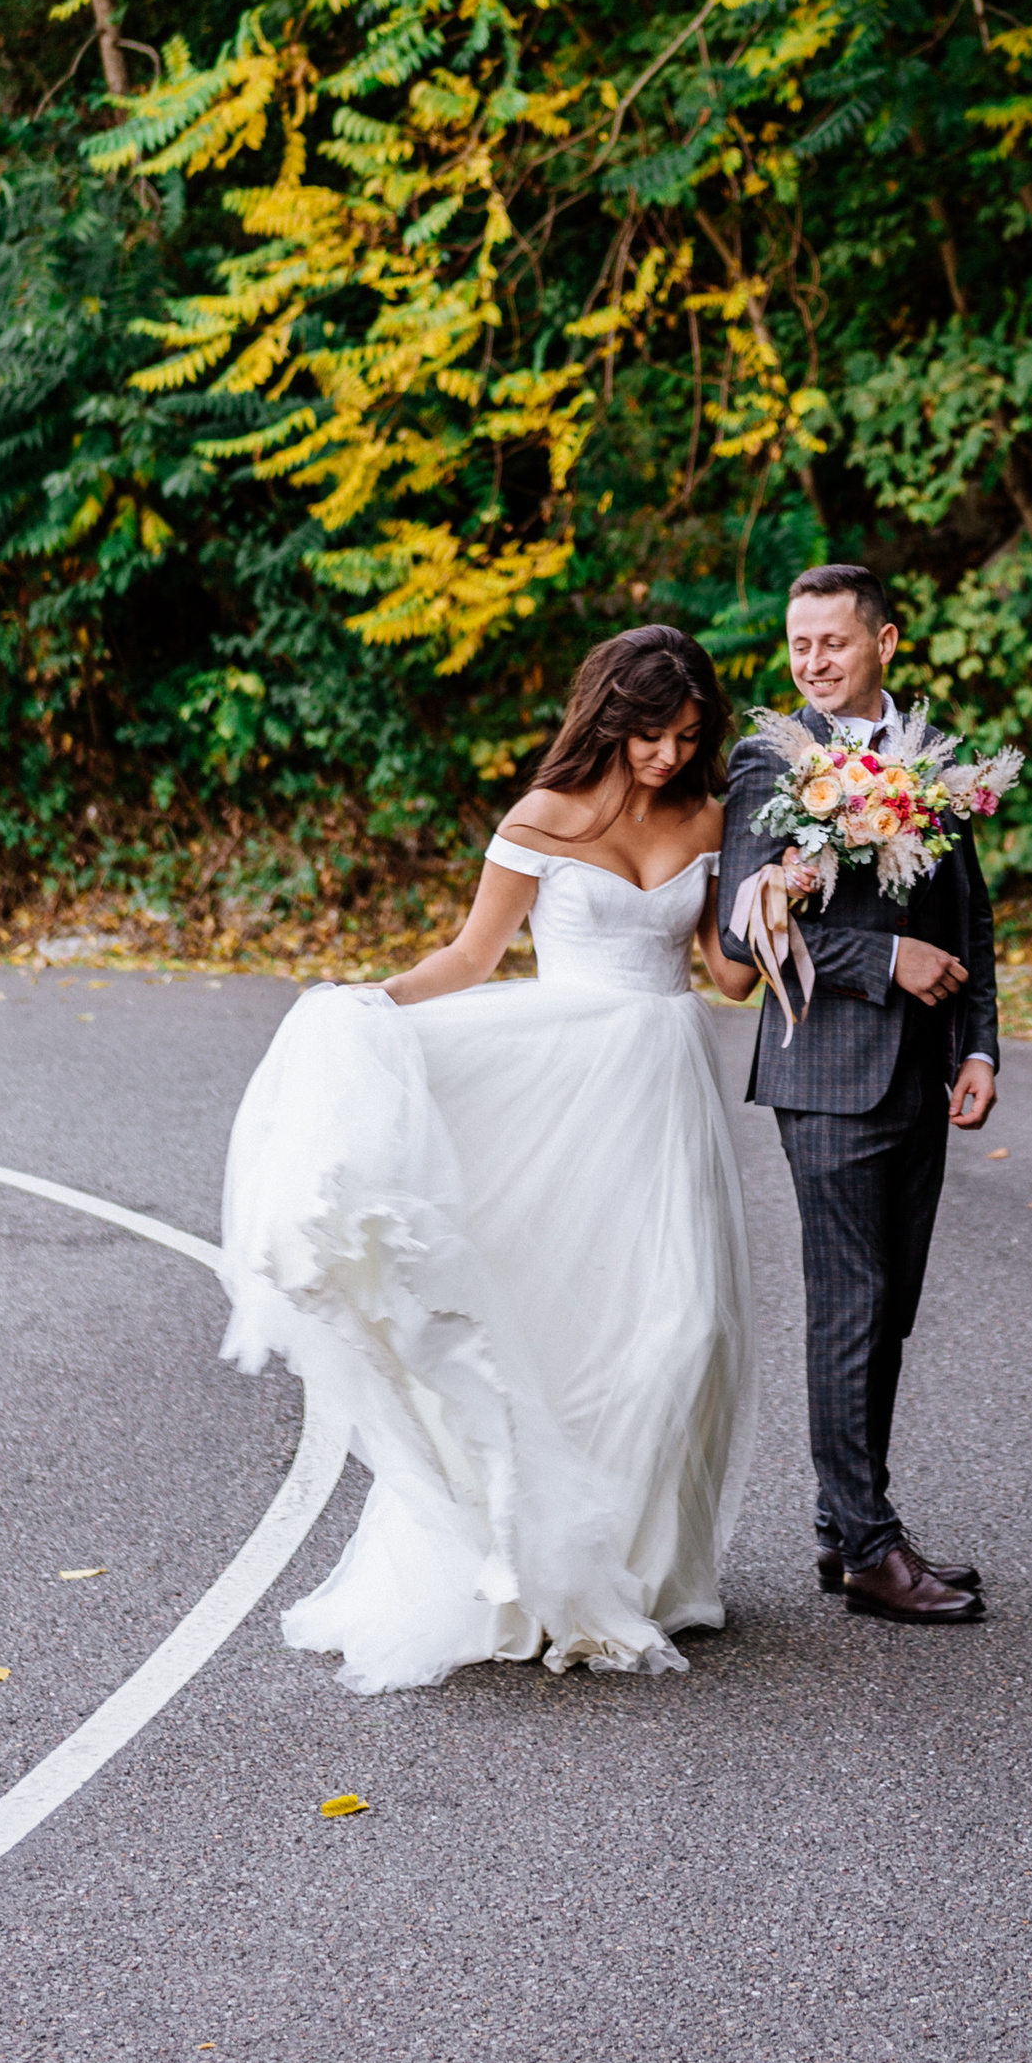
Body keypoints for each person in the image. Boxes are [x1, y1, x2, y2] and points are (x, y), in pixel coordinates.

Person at [218, 623, 762, 1693]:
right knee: (572, 1325)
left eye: (687, 736)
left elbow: (730, 981)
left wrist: (772, 895)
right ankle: (549, 1568)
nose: (666, 756)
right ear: (611, 719)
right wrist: (365, 1004)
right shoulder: (542, 818)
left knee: (689, 1322)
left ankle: (644, 1575)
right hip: (560, 1081)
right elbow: (472, 956)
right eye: (652, 734)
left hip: (665, 1085)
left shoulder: (709, 814)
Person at [717, 562, 999, 1625]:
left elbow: (967, 917)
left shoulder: (937, 761)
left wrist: (978, 1048)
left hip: (922, 1072)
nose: (812, 662)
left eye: (832, 642)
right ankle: (868, 1545)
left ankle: (848, 1530)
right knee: (850, 1305)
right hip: (824, 1070)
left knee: (892, 1309)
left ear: (885, 639)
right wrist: (885, 966)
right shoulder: (767, 761)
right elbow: (750, 924)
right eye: (798, 645)